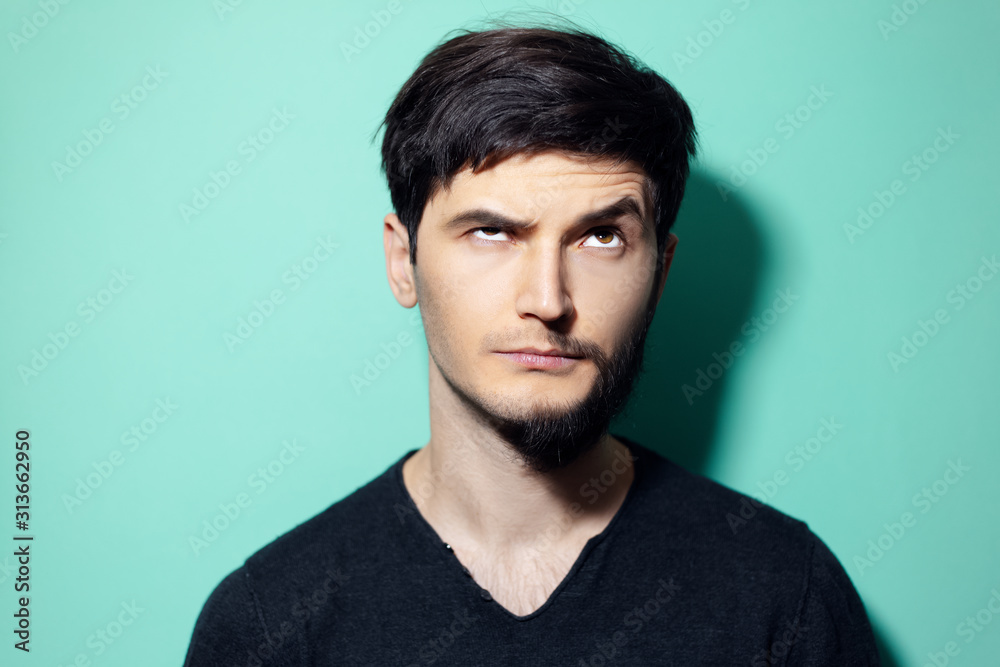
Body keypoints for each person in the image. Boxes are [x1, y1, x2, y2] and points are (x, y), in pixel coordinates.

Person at [183, 19, 880, 666]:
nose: (548, 300)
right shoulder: (271, 623)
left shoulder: (786, 593)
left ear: (660, 275)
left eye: (601, 236)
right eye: (492, 231)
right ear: (404, 262)